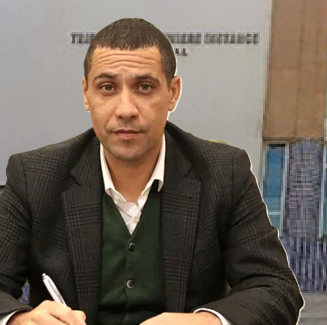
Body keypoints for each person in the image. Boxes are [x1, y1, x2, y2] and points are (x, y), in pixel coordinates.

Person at [0, 18, 304, 325]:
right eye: (107, 88)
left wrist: (206, 322)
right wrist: (19, 320)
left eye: (144, 87)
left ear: (173, 92)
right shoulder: (34, 177)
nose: (126, 109)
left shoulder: (224, 173)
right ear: (86, 93)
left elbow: (276, 289)